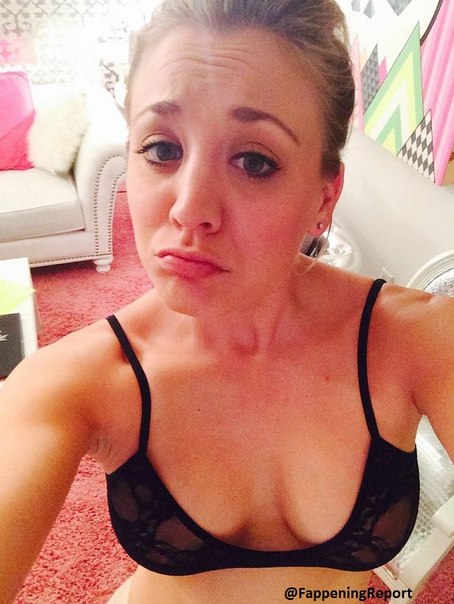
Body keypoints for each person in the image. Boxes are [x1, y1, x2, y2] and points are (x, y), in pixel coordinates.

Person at [1, 0, 453, 602]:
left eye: (253, 161)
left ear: (324, 198)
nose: (189, 209)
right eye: (162, 149)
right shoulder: (74, 381)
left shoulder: (416, 341)